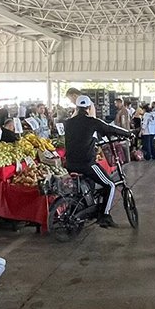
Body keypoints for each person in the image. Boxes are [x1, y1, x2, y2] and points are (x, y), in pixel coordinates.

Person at [65, 96, 130, 228]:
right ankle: (105, 216)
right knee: (110, 185)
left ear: (76, 108)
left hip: (70, 163)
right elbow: (110, 129)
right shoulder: (92, 121)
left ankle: (88, 209)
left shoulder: (68, 122)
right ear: (89, 108)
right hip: (86, 163)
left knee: (89, 185)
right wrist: (129, 134)